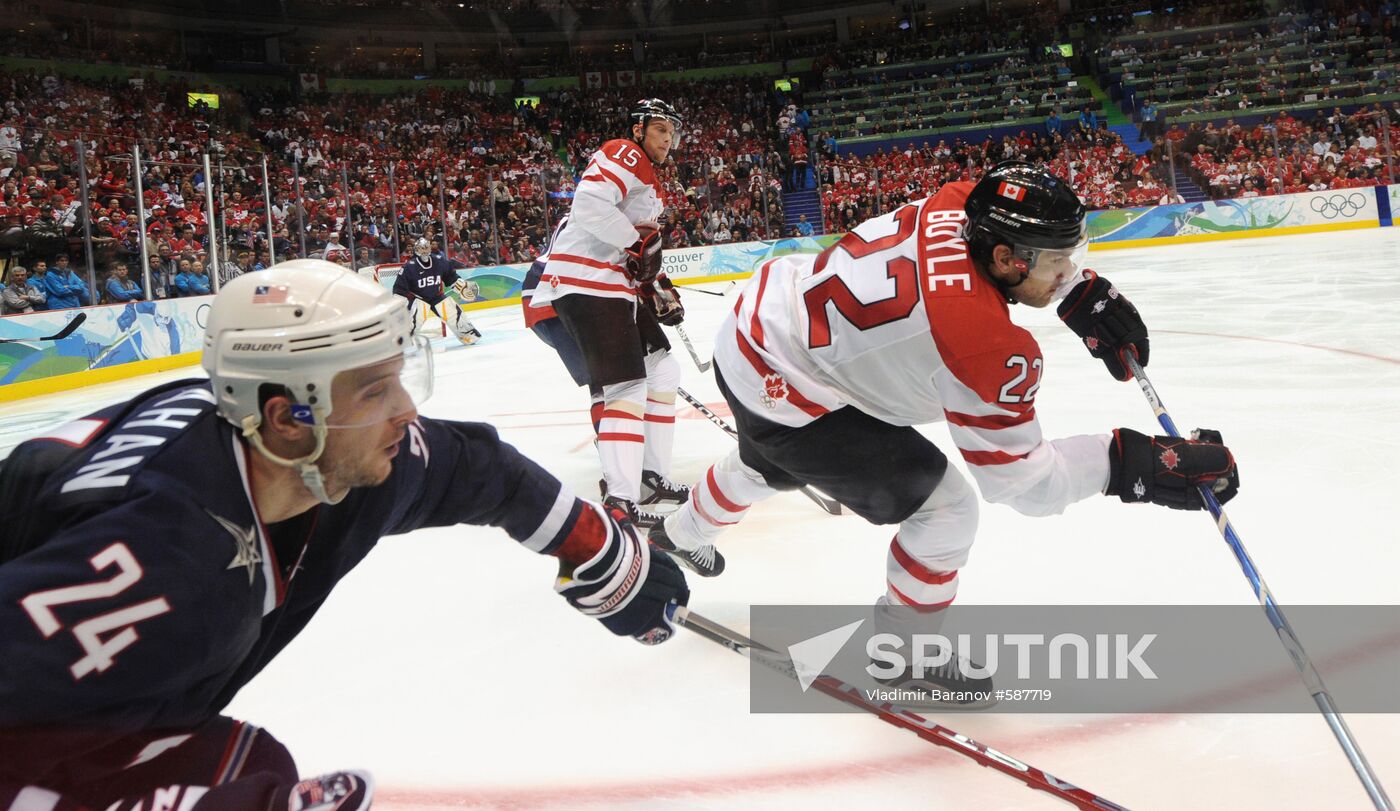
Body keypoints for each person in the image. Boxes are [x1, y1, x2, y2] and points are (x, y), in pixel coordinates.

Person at [0, 260, 689, 809]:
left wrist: (599, 550)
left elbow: (478, 470)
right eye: (373, 391)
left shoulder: (315, 456)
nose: (405, 410)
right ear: (286, 416)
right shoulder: (163, 568)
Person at [648, 161, 1240, 699]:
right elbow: (1024, 486)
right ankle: (903, 652)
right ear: (1008, 258)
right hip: (788, 380)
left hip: (758, 319)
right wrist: (1133, 462)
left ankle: (680, 532)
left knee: (769, 457)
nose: (1069, 272)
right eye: (1060, 264)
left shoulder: (962, 200)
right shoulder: (984, 345)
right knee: (947, 509)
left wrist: (1076, 290)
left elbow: (984, 257)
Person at [525, 98, 693, 535]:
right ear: (638, 130)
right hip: (587, 283)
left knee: (662, 369)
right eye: (660, 130)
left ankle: (651, 476)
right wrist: (637, 247)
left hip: (613, 287)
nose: (667, 139)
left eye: (671, 133)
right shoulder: (625, 151)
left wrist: (658, 289)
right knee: (626, 385)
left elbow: (637, 255)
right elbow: (589, 205)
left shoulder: (650, 183)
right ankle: (622, 498)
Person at [393, 237, 482, 345]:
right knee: (417, 314)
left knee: (452, 309)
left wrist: (461, 286)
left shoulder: (440, 261)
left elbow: (451, 277)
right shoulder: (409, 267)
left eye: (426, 248)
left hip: (436, 296)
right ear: (416, 250)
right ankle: (404, 341)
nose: (425, 251)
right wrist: (401, 305)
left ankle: (468, 336)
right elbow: (399, 289)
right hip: (418, 298)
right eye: (421, 248)